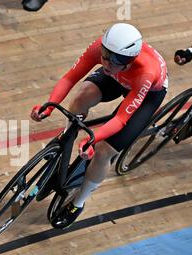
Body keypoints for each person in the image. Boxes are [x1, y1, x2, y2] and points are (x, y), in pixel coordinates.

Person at [30, 23, 168, 228]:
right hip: (119, 78)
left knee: (104, 151)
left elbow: (121, 119)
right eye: (105, 55)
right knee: (81, 98)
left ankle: (78, 203)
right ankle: (64, 154)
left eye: (115, 59)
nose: (107, 62)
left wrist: (92, 139)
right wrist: (49, 106)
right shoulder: (103, 53)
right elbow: (70, 78)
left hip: (146, 93)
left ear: (130, 60)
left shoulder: (146, 72)